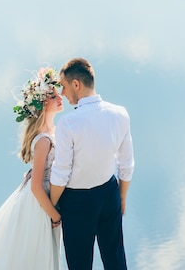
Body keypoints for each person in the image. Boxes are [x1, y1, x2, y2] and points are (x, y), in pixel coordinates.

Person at [0, 67, 64, 270]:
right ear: (43, 104)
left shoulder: (54, 131)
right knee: (35, 255)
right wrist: (55, 215)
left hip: (45, 201)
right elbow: (36, 186)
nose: (60, 97)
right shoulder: (43, 140)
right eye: (53, 96)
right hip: (39, 206)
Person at [50, 58, 135, 270]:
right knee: (115, 260)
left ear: (76, 84)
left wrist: (51, 206)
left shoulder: (67, 123)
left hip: (76, 202)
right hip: (109, 194)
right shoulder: (120, 113)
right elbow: (126, 165)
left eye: (64, 86)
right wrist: (121, 197)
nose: (62, 93)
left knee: (79, 264)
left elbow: (61, 173)